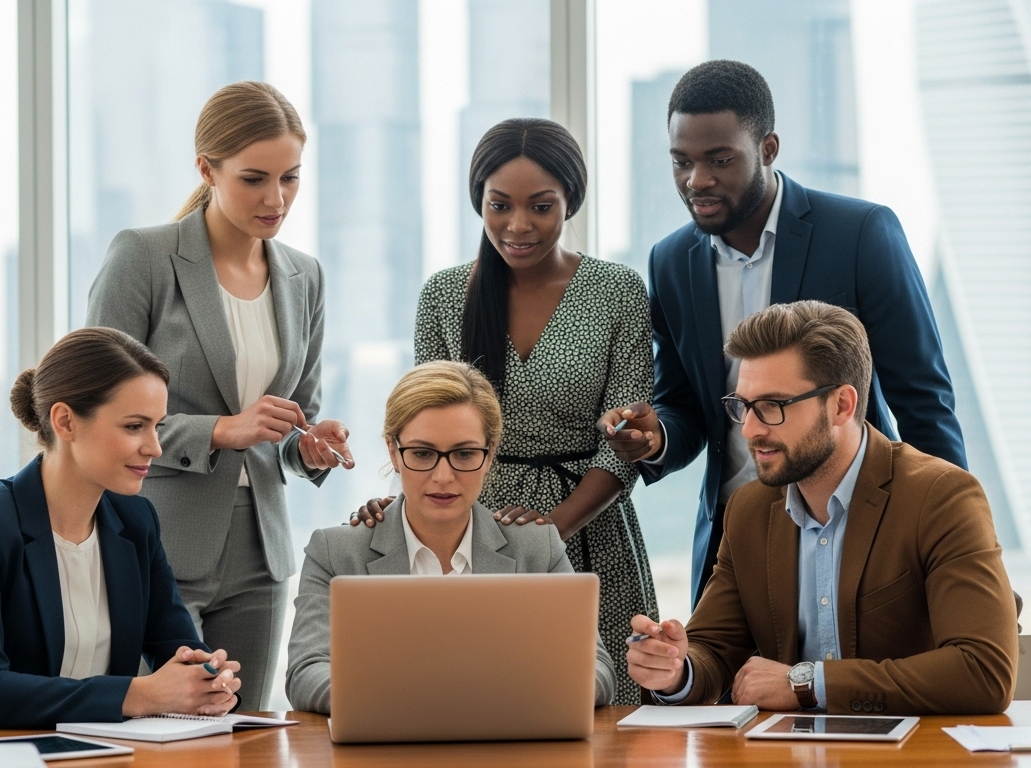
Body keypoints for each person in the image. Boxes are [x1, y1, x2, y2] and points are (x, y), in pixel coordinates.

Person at [601, 60, 966, 607]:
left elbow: (924, 401)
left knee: (851, 691)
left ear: (768, 148)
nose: (697, 180)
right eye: (682, 161)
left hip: (854, 524)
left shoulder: (860, 234)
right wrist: (657, 437)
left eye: (719, 160)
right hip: (735, 540)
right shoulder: (672, 261)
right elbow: (685, 405)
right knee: (726, 689)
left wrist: (959, 544)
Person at [351, 118, 656, 704]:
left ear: (571, 202)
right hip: (468, 532)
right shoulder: (443, 295)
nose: (518, 226)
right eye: (499, 206)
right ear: (478, 203)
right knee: (467, 701)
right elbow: (426, 426)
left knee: (601, 710)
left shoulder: (617, 291)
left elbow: (623, 450)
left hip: (590, 532)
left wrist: (553, 531)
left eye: (542, 207)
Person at [86, 81, 351, 709]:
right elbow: (97, 409)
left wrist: (308, 448)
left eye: (290, 178)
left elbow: (290, 423)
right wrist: (219, 429)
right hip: (157, 539)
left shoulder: (304, 275)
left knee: (249, 734)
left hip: (261, 551)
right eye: (254, 179)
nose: (276, 198)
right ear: (207, 169)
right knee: (167, 739)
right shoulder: (145, 257)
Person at [626, 301, 1017, 715]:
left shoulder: (941, 497)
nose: (751, 429)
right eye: (742, 406)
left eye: (772, 406)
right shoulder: (749, 509)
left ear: (841, 406)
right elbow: (713, 650)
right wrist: (675, 670)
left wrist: (808, 682)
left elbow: (984, 670)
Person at [0, 328, 242, 729]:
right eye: (133, 426)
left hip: (108, 752)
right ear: (65, 422)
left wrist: (210, 681)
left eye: (157, 426)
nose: (155, 448)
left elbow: (176, 649)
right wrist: (139, 693)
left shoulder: (136, 522)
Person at [287, 361, 615, 713]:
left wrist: (506, 698)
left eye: (464, 454)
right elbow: (306, 671)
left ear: (489, 454)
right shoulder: (335, 552)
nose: (443, 477)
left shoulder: (536, 548)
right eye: (423, 454)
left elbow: (598, 670)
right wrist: (397, 704)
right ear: (393, 453)